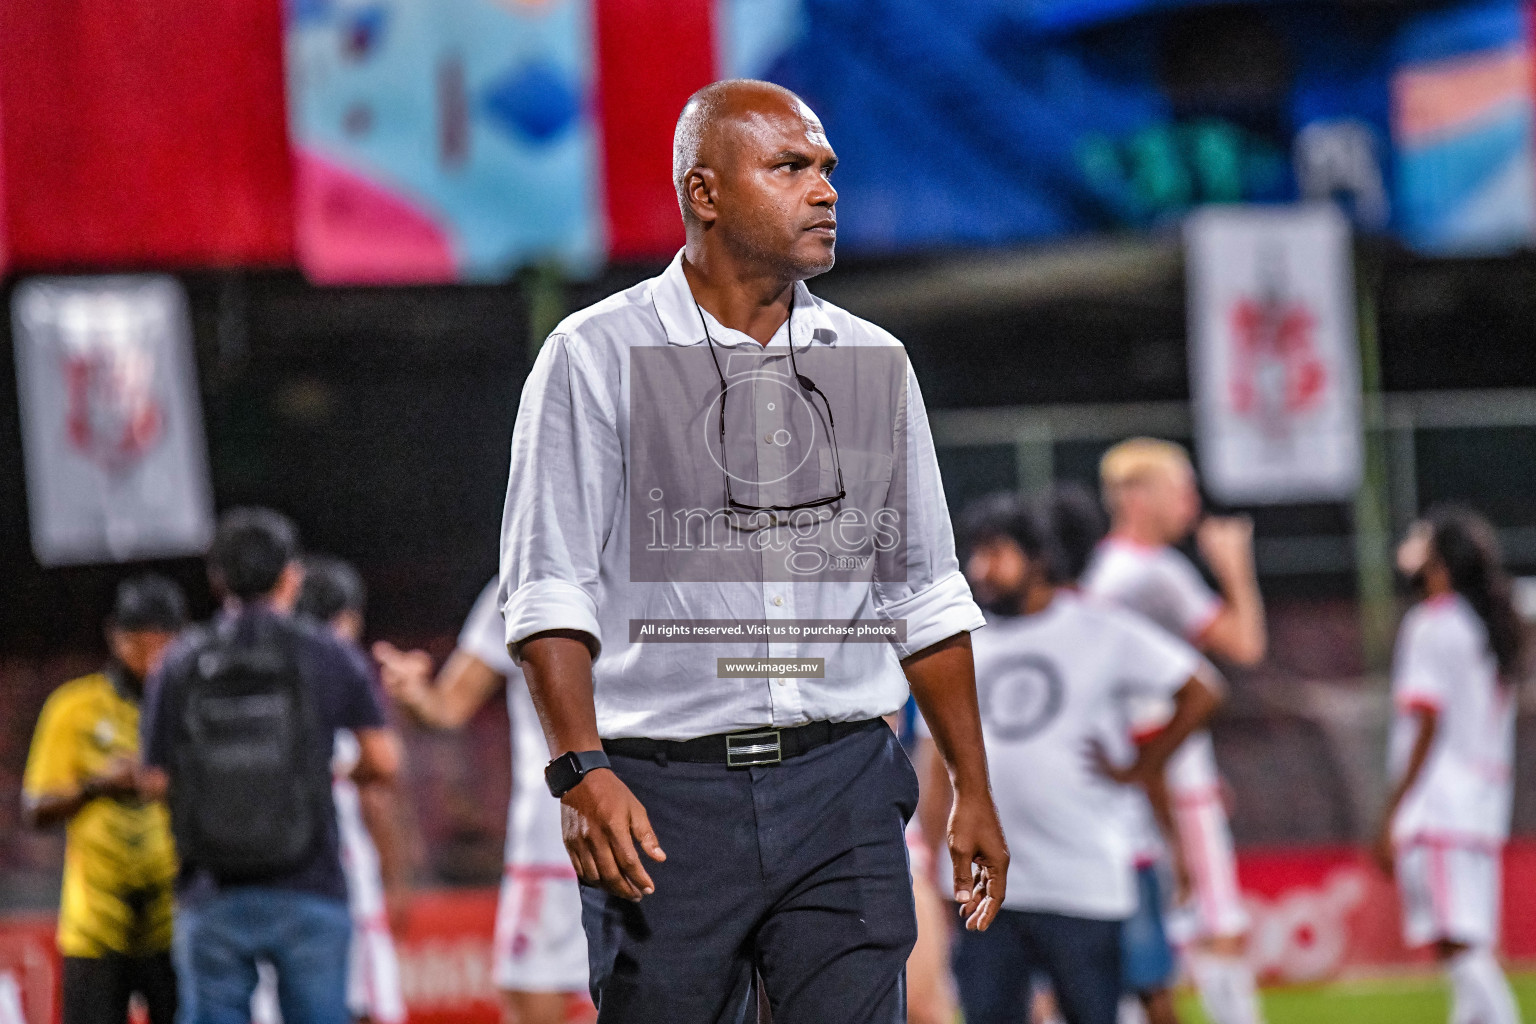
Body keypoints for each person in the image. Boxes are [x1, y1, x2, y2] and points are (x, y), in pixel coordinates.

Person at [499, 78, 1009, 1024]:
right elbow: (547, 591)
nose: (825, 190)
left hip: (844, 786)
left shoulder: (872, 361)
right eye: (791, 168)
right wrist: (580, 770)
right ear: (705, 192)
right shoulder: (593, 355)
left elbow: (926, 593)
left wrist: (973, 786)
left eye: (826, 169)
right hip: (661, 798)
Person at [951, 493, 1220, 1024]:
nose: (980, 568)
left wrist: (1142, 767)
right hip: (987, 888)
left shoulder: (1099, 628)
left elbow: (1202, 691)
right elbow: (943, 756)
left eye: (996, 552)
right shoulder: (969, 639)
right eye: (974, 554)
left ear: (1040, 558)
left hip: (1082, 880)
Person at [140, 508, 402, 1024]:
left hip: (210, 887)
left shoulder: (179, 661)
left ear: (216, 580)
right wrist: (332, 775)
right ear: (291, 575)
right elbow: (383, 760)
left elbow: (154, 781)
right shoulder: (327, 653)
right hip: (311, 882)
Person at [1083, 439, 1267, 1024]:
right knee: (1218, 926)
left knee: (1142, 939)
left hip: (1128, 776)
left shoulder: (1101, 569)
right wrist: (1235, 567)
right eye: (1179, 487)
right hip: (1164, 772)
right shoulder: (1153, 573)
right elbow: (1244, 644)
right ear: (1137, 496)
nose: (1192, 502)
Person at [375, 578, 595, 1024]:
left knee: (541, 993)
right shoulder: (520, 581)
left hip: (568, 823)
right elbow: (447, 706)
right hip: (577, 824)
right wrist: (416, 695)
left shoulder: (525, 579)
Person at [1373, 507, 1524, 1024]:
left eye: (1420, 540)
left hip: (1439, 805)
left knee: (1459, 950)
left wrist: (1393, 809)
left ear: (1441, 560)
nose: (1407, 547)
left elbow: (1427, 724)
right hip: (1481, 805)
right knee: (1465, 946)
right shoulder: (1490, 624)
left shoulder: (1432, 623)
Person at [22, 575, 187, 1024]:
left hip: (176, 921)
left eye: (164, 644)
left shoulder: (190, 705)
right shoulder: (73, 708)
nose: (152, 659)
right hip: (93, 927)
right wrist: (99, 785)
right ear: (116, 636)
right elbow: (35, 809)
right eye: (140, 644)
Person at [295, 556, 410, 1024]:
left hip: (277, 872)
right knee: (366, 1005)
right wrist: (395, 880)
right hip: (345, 873)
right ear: (349, 617)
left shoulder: (273, 669)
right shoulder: (344, 673)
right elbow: (378, 786)